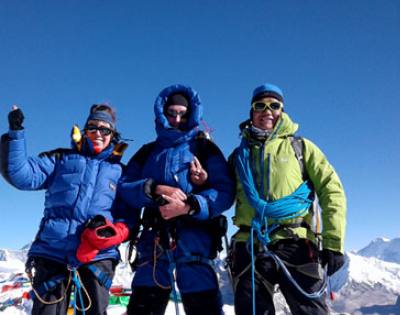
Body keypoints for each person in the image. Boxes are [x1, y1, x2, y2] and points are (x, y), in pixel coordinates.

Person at [0, 104, 131, 315]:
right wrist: (16, 133)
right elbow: (21, 175)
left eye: (105, 129)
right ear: (84, 130)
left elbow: (128, 215)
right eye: (93, 127)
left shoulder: (120, 172)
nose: (98, 133)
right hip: (53, 252)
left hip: (98, 255)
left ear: (112, 135)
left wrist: (115, 233)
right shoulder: (60, 159)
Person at [229, 83, 347, 315]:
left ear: (282, 111)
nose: (267, 111)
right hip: (250, 245)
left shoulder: (301, 148)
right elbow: (221, 193)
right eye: (260, 105)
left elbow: (331, 190)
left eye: (274, 105)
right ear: (252, 111)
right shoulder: (238, 156)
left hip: (296, 241)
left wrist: (333, 243)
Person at [118, 84, 235, 315]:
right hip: (154, 242)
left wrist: (190, 205)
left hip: (195, 242)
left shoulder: (205, 148)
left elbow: (225, 191)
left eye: (183, 113)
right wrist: (153, 188)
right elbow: (124, 187)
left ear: (192, 115)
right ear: (163, 114)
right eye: (172, 113)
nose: (177, 119)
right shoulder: (146, 152)